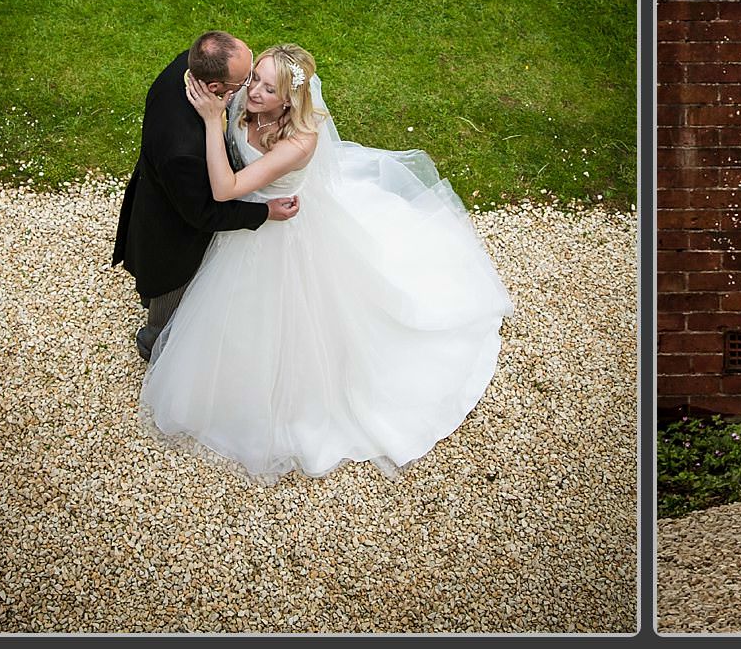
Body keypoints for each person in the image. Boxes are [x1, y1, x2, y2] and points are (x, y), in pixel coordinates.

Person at [140, 44, 515, 481]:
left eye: (268, 88)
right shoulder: (243, 97)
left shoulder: (300, 141)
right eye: (254, 79)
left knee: (294, 323)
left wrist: (211, 120)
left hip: (279, 236)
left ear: (290, 99)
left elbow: (225, 190)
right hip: (246, 225)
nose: (252, 93)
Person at [113, 31, 300, 361]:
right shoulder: (183, 150)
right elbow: (204, 214)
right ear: (215, 89)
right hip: (174, 231)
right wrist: (264, 212)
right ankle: (155, 346)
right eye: (246, 80)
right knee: (170, 304)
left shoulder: (184, 67)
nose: (249, 89)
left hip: (169, 186)